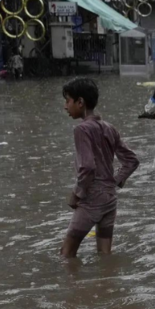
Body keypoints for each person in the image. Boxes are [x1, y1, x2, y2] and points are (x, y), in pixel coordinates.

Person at [60, 78, 140, 258]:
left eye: (68, 101)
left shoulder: (81, 130)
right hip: (110, 199)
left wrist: (76, 194)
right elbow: (131, 160)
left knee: (66, 254)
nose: (65, 106)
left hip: (91, 200)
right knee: (105, 255)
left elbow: (87, 167)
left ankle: (73, 286)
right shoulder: (109, 128)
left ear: (80, 102)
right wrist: (115, 181)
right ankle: (106, 284)